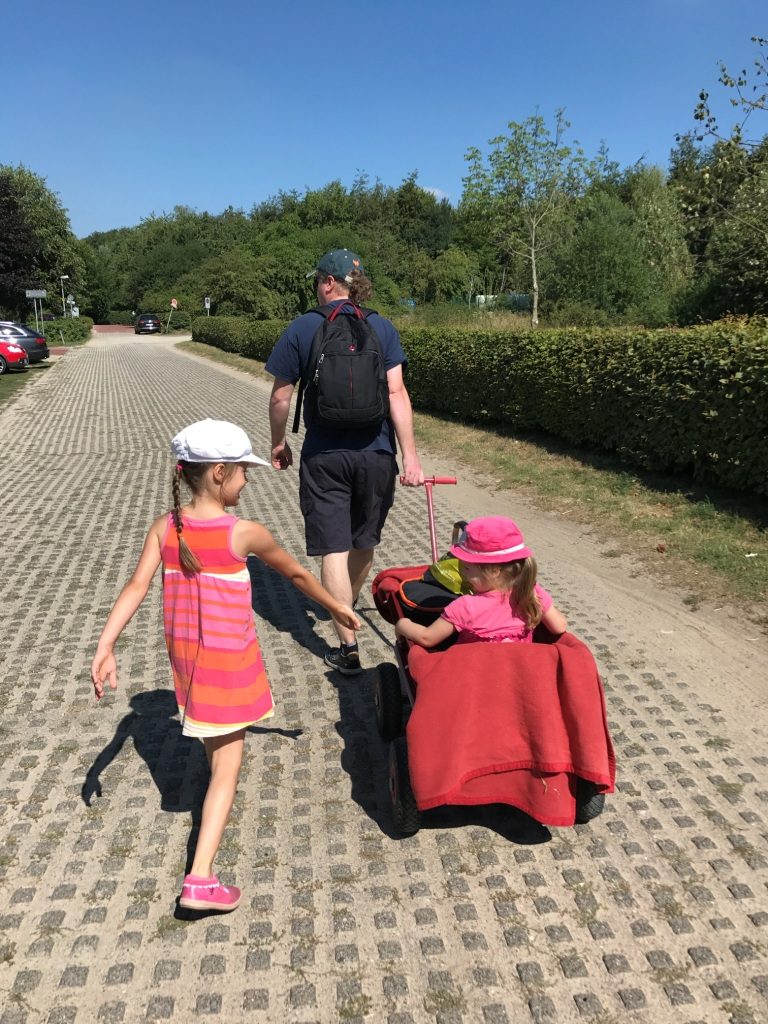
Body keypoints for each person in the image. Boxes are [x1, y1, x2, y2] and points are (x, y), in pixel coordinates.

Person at [90, 419, 360, 913]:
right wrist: (337, 607)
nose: (247, 480)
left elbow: (135, 587)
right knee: (228, 770)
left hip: (188, 663)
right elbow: (298, 574)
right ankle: (200, 878)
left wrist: (106, 644)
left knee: (221, 742)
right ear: (218, 473)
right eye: (242, 472)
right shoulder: (244, 534)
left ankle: (214, 780)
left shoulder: (165, 527)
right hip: (227, 664)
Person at [266, 249, 423, 676]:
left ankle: (347, 643)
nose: (317, 286)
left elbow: (281, 397)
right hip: (376, 455)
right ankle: (346, 607)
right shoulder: (382, 327)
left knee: (333, 547)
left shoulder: (304, 327)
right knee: (363, 541)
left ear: (330, 282)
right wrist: (410, 457)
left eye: (319, 279)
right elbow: (397, 395)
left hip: (325, 456)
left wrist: (278, 443)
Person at [395, 515, 567, 648]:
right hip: (517, 673)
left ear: (494, 571)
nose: (463, 573)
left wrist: (403, 624)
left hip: (475, 677)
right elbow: (559, 627)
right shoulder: (532, 592)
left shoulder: (466, 606)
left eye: (468, 569)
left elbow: (427, 638)